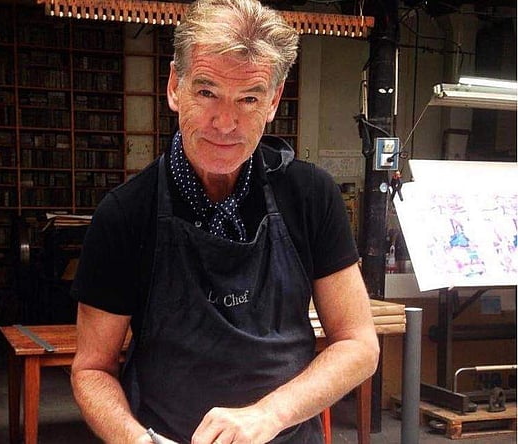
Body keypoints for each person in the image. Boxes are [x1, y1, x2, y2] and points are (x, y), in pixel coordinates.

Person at [70, 0, 379, 442]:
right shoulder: (125, 215)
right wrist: (136, 440)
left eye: (249, 98)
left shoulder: (310, 195)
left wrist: (268, 415)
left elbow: (358, 344)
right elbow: (92, 369)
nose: (225, 122)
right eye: (207, 92)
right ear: (175, 87)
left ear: (273, 101)